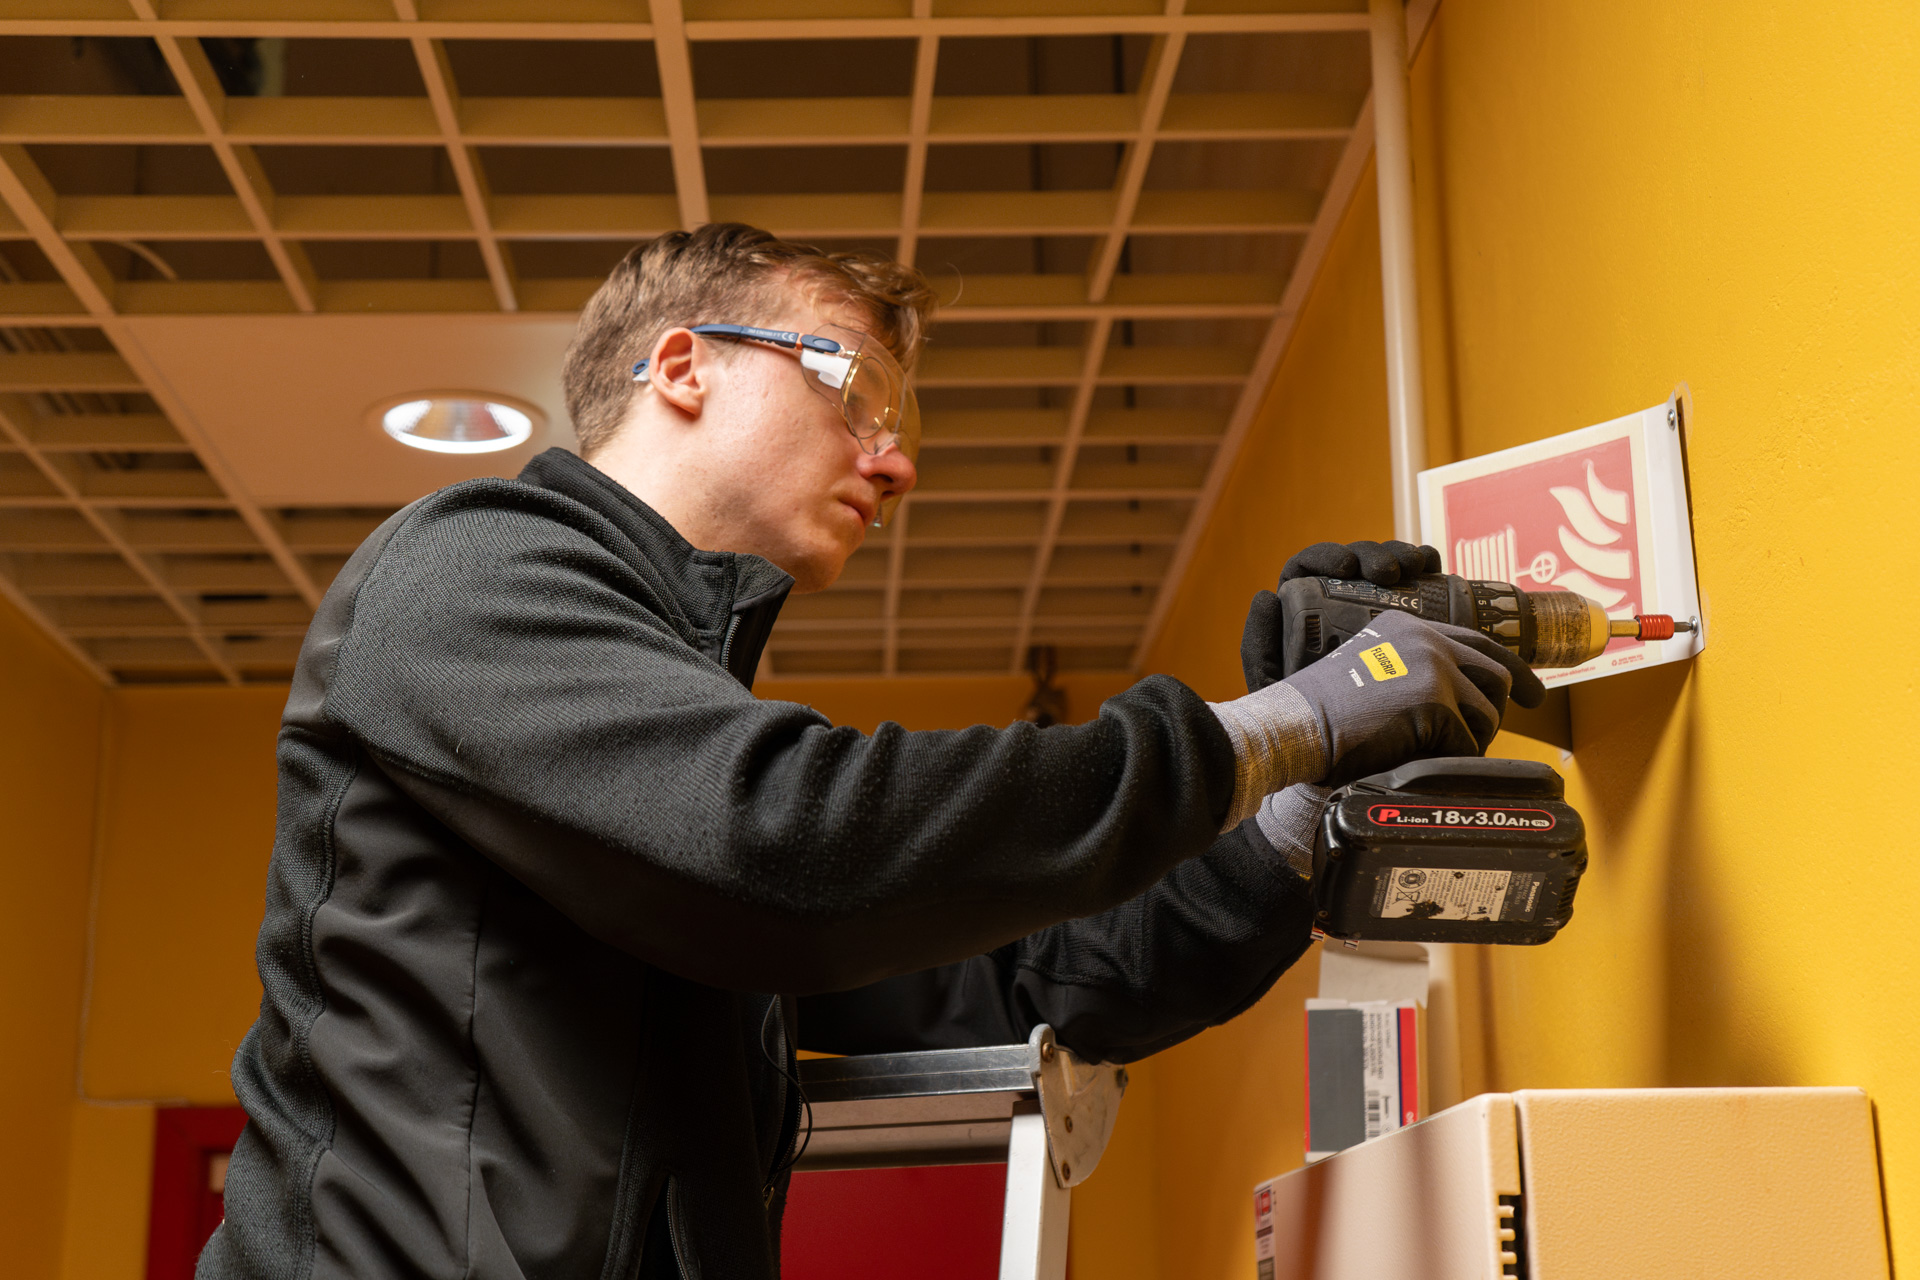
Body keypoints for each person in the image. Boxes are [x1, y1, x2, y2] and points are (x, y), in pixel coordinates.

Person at [199, 223, 1542, 1280]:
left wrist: (1296, 803)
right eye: (854, 389)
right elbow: (794, 842)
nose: (893, 465)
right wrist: (1289, 718)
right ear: (683, 367)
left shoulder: (681, 804)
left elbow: (1030, 982)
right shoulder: (470, 567)